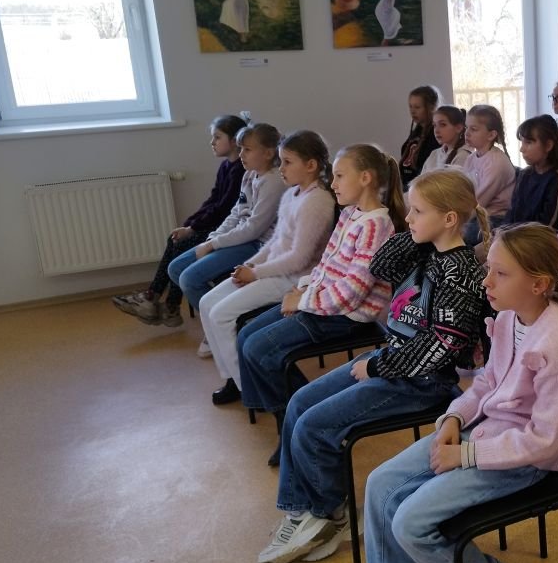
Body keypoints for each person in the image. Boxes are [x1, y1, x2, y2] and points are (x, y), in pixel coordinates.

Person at [332, 224, 558, 563]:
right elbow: (486, 382)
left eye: (500, 274)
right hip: (482, 431)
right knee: (380, 483)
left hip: (522, 459)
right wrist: (455, 417)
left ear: (539, 284)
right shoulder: (509, 317)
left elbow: (546, 442)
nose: (486, 281)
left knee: (410, 522)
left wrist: (466, 454)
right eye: (489, 269)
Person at [257, 170, 488, 563]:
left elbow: (440, 348)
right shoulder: (425, 249)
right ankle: (304, 509)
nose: (408, 218)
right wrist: (418, 234)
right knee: (299, 403)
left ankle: (326, 515)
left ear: (449, 219)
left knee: (314, 426)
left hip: (422, 382)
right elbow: (380, 265)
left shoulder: (460, 274)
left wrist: (379, 366)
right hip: (393, 363)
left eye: (417, 211)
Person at [237, 145, 408, 430]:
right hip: (324, 303)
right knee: (246, 334)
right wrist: (304, 290)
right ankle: (289, 412)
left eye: (340, 176)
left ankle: (295, 417)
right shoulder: (350, 213)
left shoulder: (376, 225)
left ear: (365, 178)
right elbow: (325, 264)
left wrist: (303, 302)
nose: (333, 183)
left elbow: (352, 293)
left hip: (347, 317)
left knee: (258, 348)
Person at [201, 131, 336, 406]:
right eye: (281, 161)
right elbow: (275, 241)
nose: (281, 167)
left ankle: (248, 388)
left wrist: (256, 273)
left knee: (221, 315)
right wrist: (252, 264)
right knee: (207, 303)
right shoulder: (292, 194)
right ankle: (233, 378)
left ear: (311, 165)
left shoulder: (318, 201)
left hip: (292, 279)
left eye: (288, 162)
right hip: (272, 270)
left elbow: (298, 258)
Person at [112, 114, 247, 326]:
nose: (212, 142)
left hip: (226, 229)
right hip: (216, 225)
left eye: (217, 137)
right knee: (175, 239)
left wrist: (192, 229)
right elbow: (212, 200)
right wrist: (189, 224)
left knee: (181, 243)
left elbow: (223, 210)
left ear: (234, 141)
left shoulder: (240, 170)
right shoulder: (225, 166)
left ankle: (162, 302)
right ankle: (160, 301)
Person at [166, 123, 286, 340]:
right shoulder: (249, 175)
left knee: (189, 279)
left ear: (268, 153)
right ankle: (218, 325)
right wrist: (214, 238)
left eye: (247, 149)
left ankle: (222, 330)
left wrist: (213, 244)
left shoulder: (273, 181)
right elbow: (236, 212)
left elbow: (254, 228)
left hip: (257, 245)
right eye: (240, 149)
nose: (241, 155)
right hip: (239, 238)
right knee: (175, 268)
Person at [507, 115, 558, 228]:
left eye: (528, 142)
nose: (522, 149)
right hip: (517, 234)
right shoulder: (525, 174)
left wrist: (513, 235)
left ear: (548, 146)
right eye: (522, 142)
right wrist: (502, 231)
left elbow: (547, 225)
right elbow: (513, 211)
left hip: (539, 237)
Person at [462, 104, 516, 244]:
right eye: (466, 127)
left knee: (457, 233)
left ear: (491, 135)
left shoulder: (497, 163)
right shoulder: (471, 158)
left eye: (474, 129)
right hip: (476, 214)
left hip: (496, 218)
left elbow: (479, 202)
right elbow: (463, 190)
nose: (467, 133)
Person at [398, 85, 441, 184]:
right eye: (410, 106)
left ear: (431, 107)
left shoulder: (436, 134)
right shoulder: (417, 131)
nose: (412, 111)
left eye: (417, 107)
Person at [419, 106, 473, 174]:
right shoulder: (434, 153)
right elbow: (421, 179)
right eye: (434, 125)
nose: (436, 131)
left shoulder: (463, 156)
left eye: (442, 125)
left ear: (458, 128)